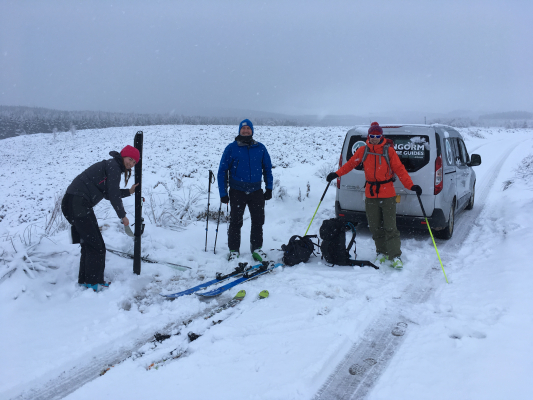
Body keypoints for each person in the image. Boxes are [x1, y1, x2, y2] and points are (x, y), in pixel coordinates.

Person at [326, 122, 422, 269]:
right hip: (371, 194)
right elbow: (350, 164)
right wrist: (336, 174)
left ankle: (395, 256)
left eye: (378, 135)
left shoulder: (389, 152)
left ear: (381, 136)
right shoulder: (363, 151)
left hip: (388, 193)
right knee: (375, 227)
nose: (375, 138)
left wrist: (411, 185)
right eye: (373, 135)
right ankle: (381, 252)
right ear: (369, 136)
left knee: (390, 227)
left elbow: (400, 170)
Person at [61, 145, 140, 291]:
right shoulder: (114, 167)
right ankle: (93, 282)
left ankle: (86, 281)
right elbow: (114, 196)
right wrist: (123, 216)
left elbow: (109, 193)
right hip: (78, 203)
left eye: (134, 162)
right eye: (130, 159)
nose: (131, 164)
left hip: (73, 202)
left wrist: (129, 192)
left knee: (89, 244)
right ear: (123, 156)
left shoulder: (111, 166)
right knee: (97, 246)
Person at [217, 119, 274, 262]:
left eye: (249, 128)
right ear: (239, 131)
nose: (246, 130)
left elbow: (267, 169)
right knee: (236, 222)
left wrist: (269, 188)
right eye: (244, 128)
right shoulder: (231, 148)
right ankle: (234, 250)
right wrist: (223, 193)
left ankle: (256, 249)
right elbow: (222, 171)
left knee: (258, 221)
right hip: (237, 191)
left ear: (252, 131)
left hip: (256, 191)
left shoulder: (260, 148)